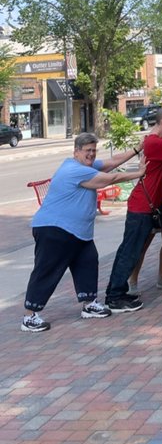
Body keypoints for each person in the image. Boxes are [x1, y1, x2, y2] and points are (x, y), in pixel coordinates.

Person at [21, 132, 146, 333]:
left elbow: (112, 163)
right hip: (55, 229)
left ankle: (89, 304)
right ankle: (29, 316)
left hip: (78, 232)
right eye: (87, 151)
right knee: (47, 270)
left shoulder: (85, 166)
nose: (91, 155)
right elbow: (109, 178)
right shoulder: (74, 170)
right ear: (76, 152)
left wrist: (137, 149)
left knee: (88, 261)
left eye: (94, 151)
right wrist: (137, 174)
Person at [104, 108, 162, 313]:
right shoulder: (157, 143)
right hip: (142, 207)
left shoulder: (152, 141)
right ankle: (114, 297)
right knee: (130, 252)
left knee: (129, 251)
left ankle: (117, 292)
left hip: (148, 205)